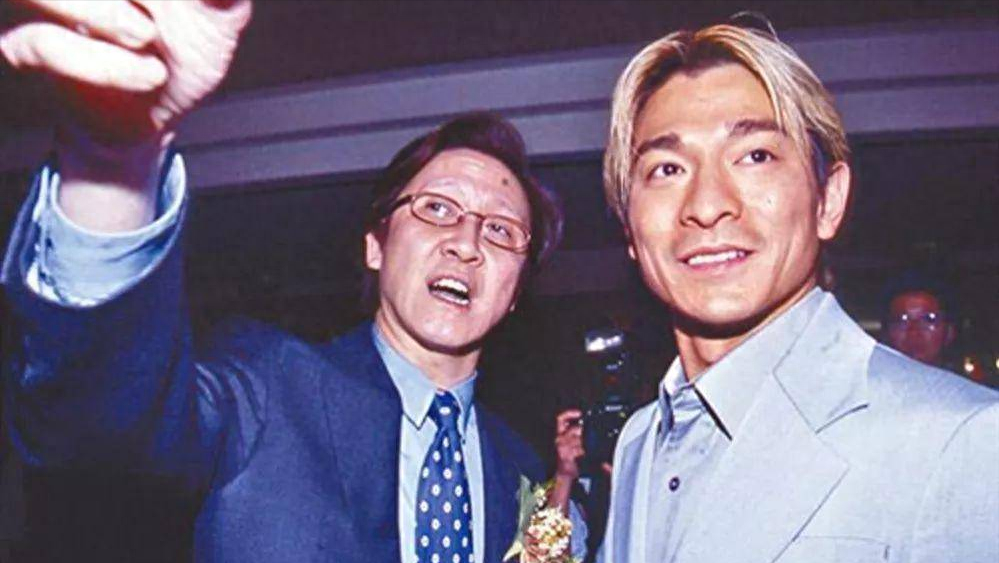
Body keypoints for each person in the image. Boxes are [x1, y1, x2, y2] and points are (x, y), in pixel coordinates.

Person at [0, 2, 565, 562]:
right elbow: (102, 430)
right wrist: (116, 158)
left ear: (517, 290)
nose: (466, 243)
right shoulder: (266, 388)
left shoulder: (519, 466)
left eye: (500, 230)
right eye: (437, 208)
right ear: (376, 245)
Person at [594, 21, 999, 563]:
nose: (707, 205)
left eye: (755, 156)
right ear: (629, 229)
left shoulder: (962, 439)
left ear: (828, 199)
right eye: (666, 169)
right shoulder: (637, 443)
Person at [882, 272, 957, 369]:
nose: (913, 332)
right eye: (902, 321)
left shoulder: (959, 379)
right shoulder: (873, 378)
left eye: (928, 320)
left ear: (949, 332)